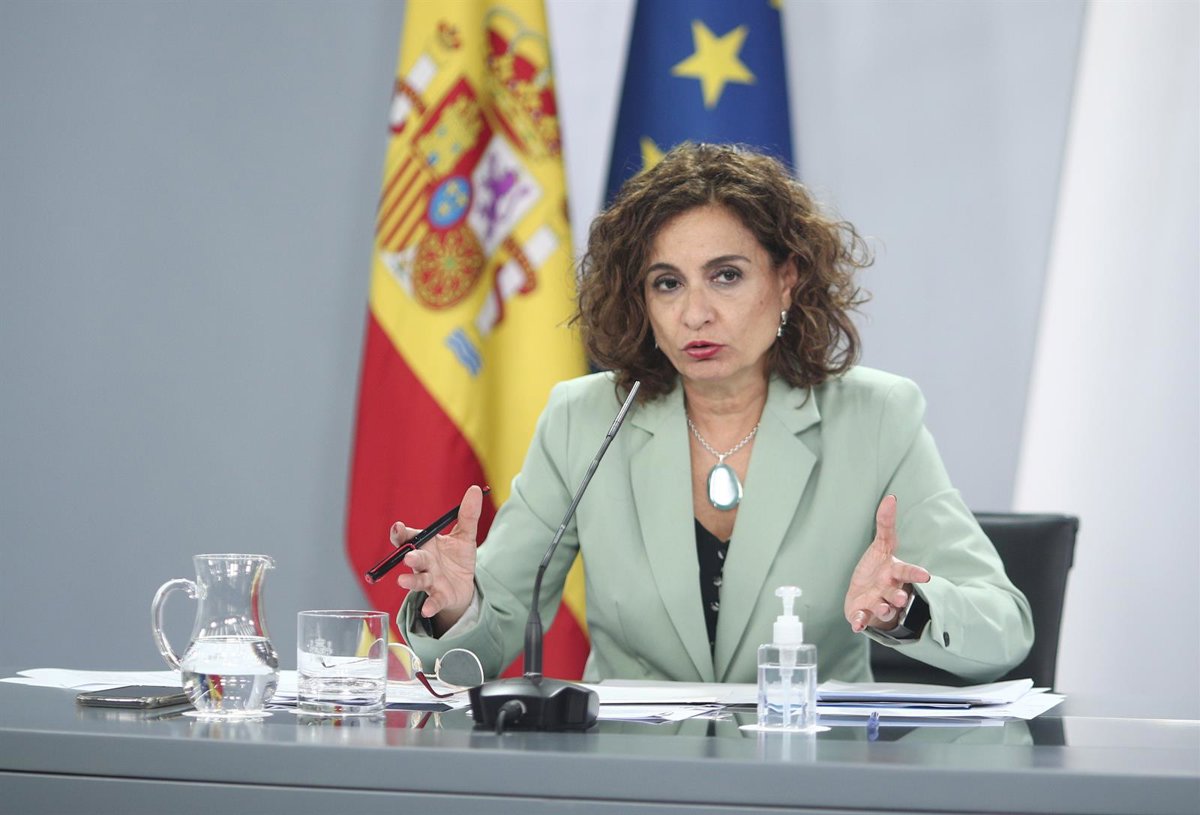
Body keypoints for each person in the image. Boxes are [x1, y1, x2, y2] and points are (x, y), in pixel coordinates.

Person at [393, 143, 1033, 684]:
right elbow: (480, 649)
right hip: (632, 774)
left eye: (726, 276)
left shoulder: (876, 418)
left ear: (786, 279)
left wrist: (903, 608)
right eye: (667, 283)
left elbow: (1003, 628)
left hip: (806, 770)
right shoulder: (582, 420)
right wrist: (456, 607)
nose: (694, 313)